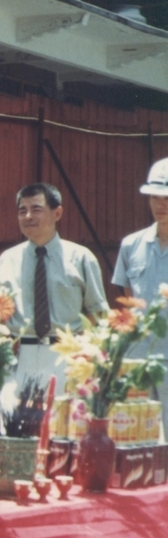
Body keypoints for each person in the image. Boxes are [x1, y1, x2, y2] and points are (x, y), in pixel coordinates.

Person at [0, 183, 108, 390]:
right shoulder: (7, 260)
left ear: (57, 213)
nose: (28, 216)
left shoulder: (81, 258)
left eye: (36, 209)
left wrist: (82, 353)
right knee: (14, 419)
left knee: (63, 419)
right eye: (22, 211)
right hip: (18, 357)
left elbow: (97, 314)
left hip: (65, 357)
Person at [112, 157, 168, 433]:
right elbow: (126, 299)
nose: (161, 204)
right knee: (137, 439)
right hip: (137, 361)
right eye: (155, 197)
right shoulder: (131, 245)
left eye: (167, 198)